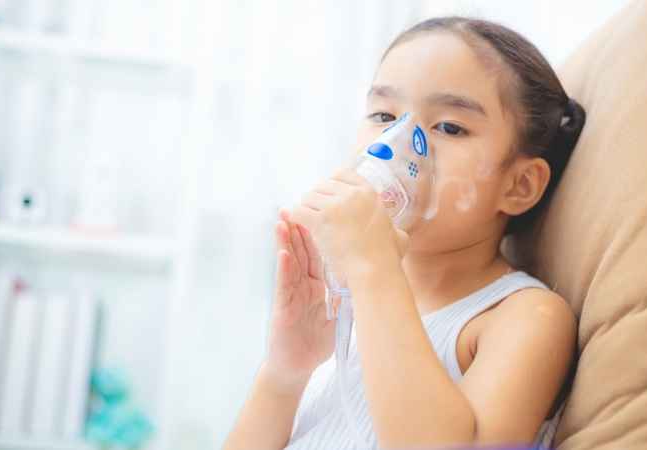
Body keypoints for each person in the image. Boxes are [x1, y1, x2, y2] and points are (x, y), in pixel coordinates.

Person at [223, 15, 585, 450]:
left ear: (518, 185)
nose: (394, 144)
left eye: (449, 127)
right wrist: (286, 371)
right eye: (383, 115)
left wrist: (374, 269)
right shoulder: (345, 308)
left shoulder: (522, 317)